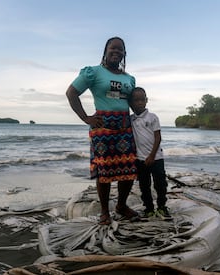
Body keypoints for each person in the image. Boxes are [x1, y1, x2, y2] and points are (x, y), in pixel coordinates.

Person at [65, 36, 139, 225]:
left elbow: (130, 102)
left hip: (125, 128)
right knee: (104, 172)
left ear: (124, 54)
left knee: (128, 169)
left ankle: (121, 206)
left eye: (120, 49)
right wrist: (85, 118)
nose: (116, 51)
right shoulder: (94, 73)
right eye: (113, 48)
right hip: (103, 129)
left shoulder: (129, 78)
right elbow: (71, 93)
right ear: (105, 51)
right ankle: (105, 211)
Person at [129, 87, 170, 218]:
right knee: (144, 185)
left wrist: (152, 155)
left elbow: (158, 137)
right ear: (131, 103)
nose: (139, 102)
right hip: (140, 160)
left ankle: (162, 206)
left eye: (142, 100)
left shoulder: (152, 117)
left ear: (146, 101)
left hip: (156, 158)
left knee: (160, 184)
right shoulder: (131, 120)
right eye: (136, 100)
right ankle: (149, 208)